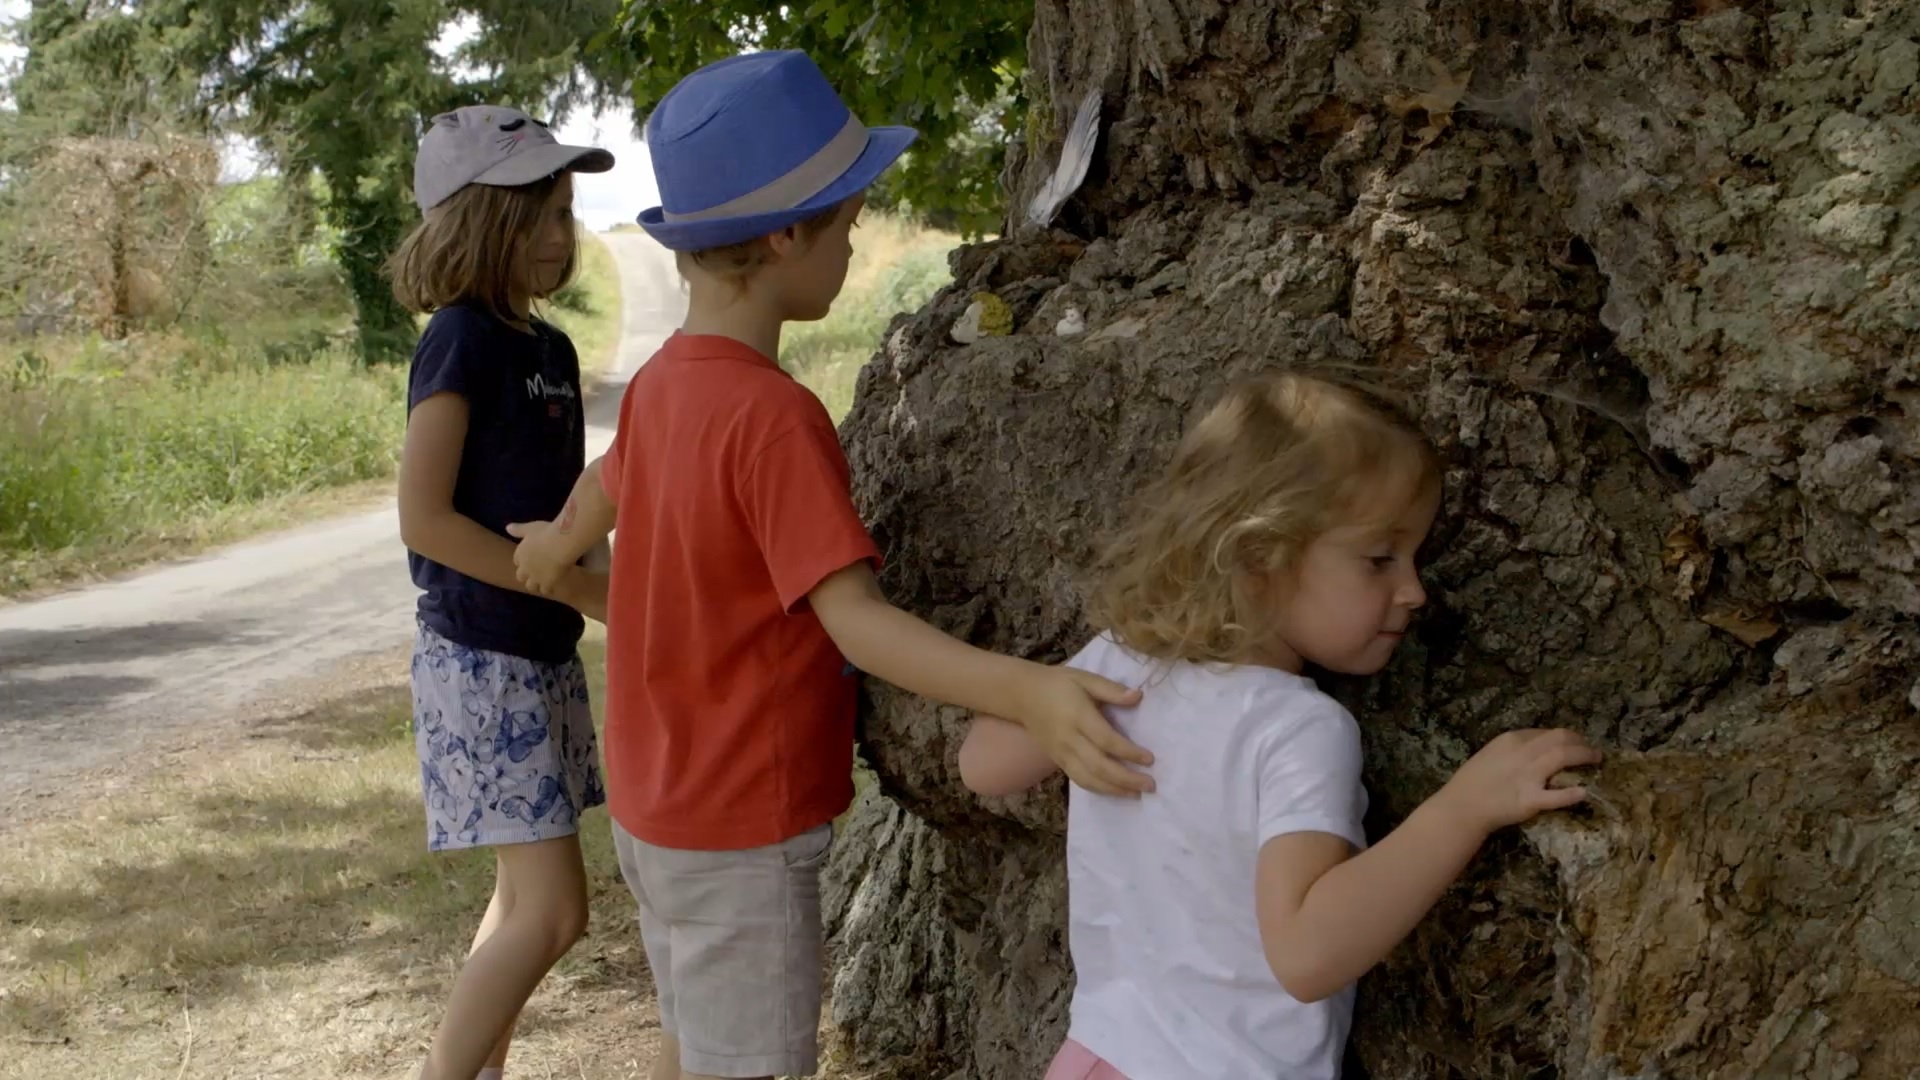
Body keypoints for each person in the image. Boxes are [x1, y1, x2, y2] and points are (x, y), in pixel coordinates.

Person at [504, 50, 1155, 1080]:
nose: (853, 247)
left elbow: (604, 485)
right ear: (786, 235)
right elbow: (857, 621)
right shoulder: (773, 417)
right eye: (848, 226)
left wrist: (552, 539)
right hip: (740, 829)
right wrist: (1028, 691)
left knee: (691, 1044)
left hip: (653, 810)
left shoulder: (664, 386)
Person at [957, 372, 1603, 1080]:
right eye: (1379, 559)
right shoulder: (1298, 727)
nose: (1414, 591)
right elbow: (1306, 954)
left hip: (1094, 1059)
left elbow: (982, 765)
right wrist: (1465, 807)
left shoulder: (1120, 661)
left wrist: (1041, 695)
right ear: (1260, 553)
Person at [389, 104, 615, 1080]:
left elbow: (569, 509)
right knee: (556, 912)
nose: (563, 233)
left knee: (521, 902)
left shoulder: (551, 352)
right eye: (541, 214)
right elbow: (424, 518)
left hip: (542, 656)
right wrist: (548, 576)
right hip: (480, 661)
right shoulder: (460, 339)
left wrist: (594, 586)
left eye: (566, 210)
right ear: (482, 220)